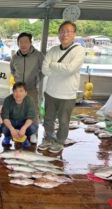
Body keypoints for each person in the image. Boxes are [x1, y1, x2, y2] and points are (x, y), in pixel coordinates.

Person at [38, 21, 85, 154]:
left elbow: (70, 69)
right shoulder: (53, 50)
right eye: (62, 31)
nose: (65, 34)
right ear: (59, 34)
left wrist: (53, 65)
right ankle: (48, 138)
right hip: (50, 92)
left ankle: (59, 142)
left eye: (68, 31)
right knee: (48, 119)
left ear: (74, 34)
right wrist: (59, 68)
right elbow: (45, 69)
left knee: (64, 121)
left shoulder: (79, 50)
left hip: (67, 94)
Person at [10, 32, 44, 132]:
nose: (23, 44)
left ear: (30, 42)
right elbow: (12, 70)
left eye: (26, 42)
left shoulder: (38, 55)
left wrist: (37, 79)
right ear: (18, 44)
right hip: (18, 90)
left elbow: (44, 70)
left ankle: (33, 132)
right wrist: (17, 80)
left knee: (33, 110)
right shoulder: (15, 57)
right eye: (21, 42)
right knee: (18, 110)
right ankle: (20, 131)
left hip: (31, 88)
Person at [1, 82, 38, 148]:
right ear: (13, 92)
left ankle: (25, 137)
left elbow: (31, 117)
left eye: (21, 91)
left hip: (23, 121)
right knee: (4, 127)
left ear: (26, 93)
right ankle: (8, 137)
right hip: (11, 121)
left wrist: (24, 128)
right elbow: (5, 117)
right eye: (15, 91)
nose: (18, 94)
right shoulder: (7, 100)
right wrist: (12, 129)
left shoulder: (29, 100)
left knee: (33, 128)